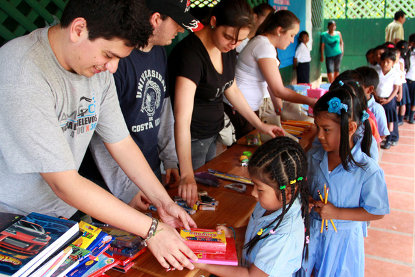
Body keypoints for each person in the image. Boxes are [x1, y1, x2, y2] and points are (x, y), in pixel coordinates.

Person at [0, 0, 199, 271]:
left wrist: (162, 202)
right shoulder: (23, 70)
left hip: (62, 214)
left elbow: (121, 141)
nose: (113, 68)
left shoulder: (96, 70)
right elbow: (65, 183)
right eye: (109, 55)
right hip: (11, 217)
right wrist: (152, 230)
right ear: (79, 29)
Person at [86, 0, 203, 210]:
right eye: (177, 22)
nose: (180, 29)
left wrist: (169, 159)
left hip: (148, 174)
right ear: (156, 19)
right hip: (112, 183)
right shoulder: (115, 61)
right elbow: (101, 133)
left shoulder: (159, 52)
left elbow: (163, 109)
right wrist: (126, 188)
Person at [168, 0, 284, 206]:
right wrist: (186, 173)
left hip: (211, 134)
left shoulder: (227, 48)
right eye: (229, 37)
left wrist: (261, 125)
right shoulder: (191, 54)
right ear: (213, 22)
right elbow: (182, 118)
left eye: (239, 40)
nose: (233, 44)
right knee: (188, 198)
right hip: (189, 141)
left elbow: (232, 89)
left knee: (206, 196)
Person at [297, 86, 389, 277]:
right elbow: (304, 187)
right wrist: (308, 200)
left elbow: (377, 211)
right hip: (312, 235)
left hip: (343, 243)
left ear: (351, 128)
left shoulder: (367, 171)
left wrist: (336, 212)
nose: (319, 135)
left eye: (326, 129)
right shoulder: (314, 157)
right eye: (318, 127)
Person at [195, 136, 310, 277]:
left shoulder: (284, 235)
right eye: (253, 185)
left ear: (286, 193)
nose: (253, 193)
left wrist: (205, 264)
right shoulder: (270, 204)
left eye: (260, 189)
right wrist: (234, 233)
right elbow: (257, 230)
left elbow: (251, 275)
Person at [229, 10, 316, 139]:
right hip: (240, 109)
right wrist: (311, 101)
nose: (292, 40)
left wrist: (278, 110)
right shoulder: (263, 46)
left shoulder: (265, 44)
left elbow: (271, 85)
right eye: (292, 35)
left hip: (246, 109)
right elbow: (278, 90)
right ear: (279, 31)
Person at [375, 50, 402, 149]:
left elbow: (396, 89)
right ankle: (379, 138)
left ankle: (389, 139)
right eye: (383, 61)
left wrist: (389, 99)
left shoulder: (395, 73)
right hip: (378, 99)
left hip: (389, 100)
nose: (385, 64)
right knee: (379, 119)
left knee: (389, 121)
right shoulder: (377, 72)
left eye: (388, 62)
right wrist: (377, 97)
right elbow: (374, 87)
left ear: (393, 63)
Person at [355, 66, 390, 141]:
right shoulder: (352, 103)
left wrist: (371, 144)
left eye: (357, 86)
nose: (353, 89)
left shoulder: (377, 109)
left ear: (370, 89)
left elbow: (382, 134)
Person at [396, 40, 410, 126]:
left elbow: (400, 75)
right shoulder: (406, 58)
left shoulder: (400, 61)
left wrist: (400, 90)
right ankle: (400, 119)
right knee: (402, 103)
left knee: (401, 103)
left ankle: (400, 119)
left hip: (401, 83)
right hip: (402, 83)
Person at [407, 33, 415, 123]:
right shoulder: (408, 52)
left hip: (409, 77)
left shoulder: (408, 52)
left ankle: (410, 115)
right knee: (411, 99)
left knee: (411, 99)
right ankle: (410, 115)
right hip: (409, 77)